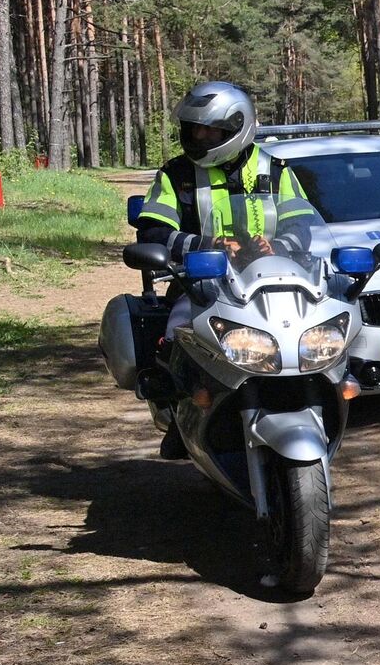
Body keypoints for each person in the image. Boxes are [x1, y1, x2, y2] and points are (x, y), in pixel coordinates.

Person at [133, 81, 321, 454]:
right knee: (176, 332)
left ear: (237, 128)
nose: (199, 136)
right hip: (200, 282)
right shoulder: (175, 175)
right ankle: (179, 414)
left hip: (273, 279)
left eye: (210, 130)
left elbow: (303, 223)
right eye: (194, 129)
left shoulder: (276, 170)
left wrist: (280, 244)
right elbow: (152, 229)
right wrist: (203, 245)